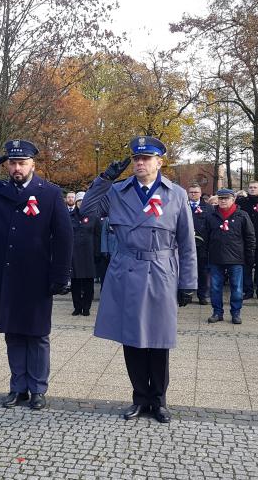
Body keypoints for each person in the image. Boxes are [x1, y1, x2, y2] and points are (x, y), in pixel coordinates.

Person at [80, 136, 196, 423]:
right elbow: (87, 211)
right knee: (131, 339)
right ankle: (139, 397)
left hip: (161, 270)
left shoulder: (176, 194)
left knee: (158, 340)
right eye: (136, 159)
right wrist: (105, 179)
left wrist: (188, 283)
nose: (140, 163)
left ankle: (158, 400)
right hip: (126, 270)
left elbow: (187, 241)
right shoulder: (118, 191)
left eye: (146, 158)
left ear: (159, 162)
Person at [0, 139, 72, 410]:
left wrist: (61, 274)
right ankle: (18, 386)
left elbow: (64, 237)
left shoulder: (50, 193)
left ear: (33, 163)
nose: (17, 168)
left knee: (38, 333)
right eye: (12, 163)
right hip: (5, 274)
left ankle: (38, 388)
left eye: (22, 163)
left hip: (36, 274)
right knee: (13, 332)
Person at [203, 189, 255, 324]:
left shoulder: (242, 216)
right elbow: (205, 237)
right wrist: (205, 255)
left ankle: (236, 313)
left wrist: (249, 257)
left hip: (236, 258)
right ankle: (217, 312)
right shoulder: (211, 216)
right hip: (216, 258)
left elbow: (250, 237)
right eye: (220, 198)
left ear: (233, 200)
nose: (223, 201)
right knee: (215, 287)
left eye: (226, 198)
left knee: (237, 288)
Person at [69, 191, 98, 316]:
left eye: (83, 201)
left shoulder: (93, 216)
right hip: (74, 253)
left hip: (88, 254)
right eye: (79, 201)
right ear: (76, 202)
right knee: (75, 282)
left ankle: (86, 307)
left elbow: (98, 236)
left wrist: (97, 253)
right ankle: (77, 307)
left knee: (88, 283)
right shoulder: (69, 216)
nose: (81, 203)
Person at [187, 182, 212, 305]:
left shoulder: (208, 208)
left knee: (203, 271)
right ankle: (188, 294)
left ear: (200, 193)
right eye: (191, 192)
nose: (193, 194)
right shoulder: (183, 205)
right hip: (186, 245)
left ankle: (202, 295)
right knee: (188, 270)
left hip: (202, 245)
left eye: (196, 192)